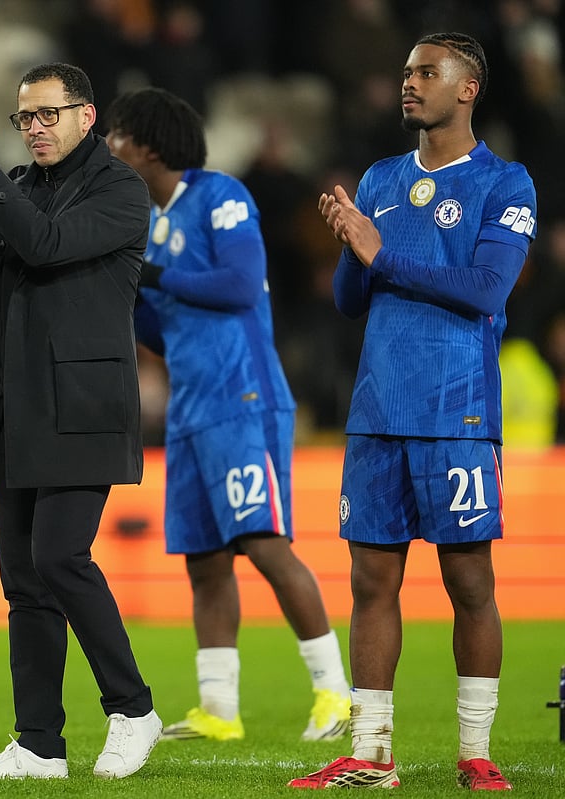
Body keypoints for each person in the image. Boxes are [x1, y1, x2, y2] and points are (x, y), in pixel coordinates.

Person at [290, 32, 536, 791]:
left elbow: (485, 291)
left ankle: (476, 751)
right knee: (370, 582)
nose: (409, 83)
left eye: (427, 72)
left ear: (468, 88)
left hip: (456, 410)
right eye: (406, 72)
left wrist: (382, 252)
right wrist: (351, 245)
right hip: (377, 409)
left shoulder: (506, 183)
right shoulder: (381, 177)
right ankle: (370, 755)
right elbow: (347, 298)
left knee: (469, 581)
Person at [0, 63, 162, 780]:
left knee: (61, 558)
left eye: (46, 114)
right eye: (24, 116)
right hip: (17, 405)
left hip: (81, 407)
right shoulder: (20, 186)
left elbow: (48, 245)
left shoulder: (121, 188)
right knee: (25, 582)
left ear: (85, 117)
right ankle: (38, 744)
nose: (33, 127)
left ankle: (132, 707)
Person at [103, 87, 352, 744]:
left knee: (264, 541)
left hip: (243, 398)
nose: (109, 148)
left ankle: (335, 691)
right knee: (205, 559)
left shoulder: (222, 196)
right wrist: (125, 298)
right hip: (190, 405)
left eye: (118, 136)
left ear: (149, 146)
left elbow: (241, 285)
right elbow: (167, 327)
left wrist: (149, 275)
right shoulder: (152, 221)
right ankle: (219, 708)